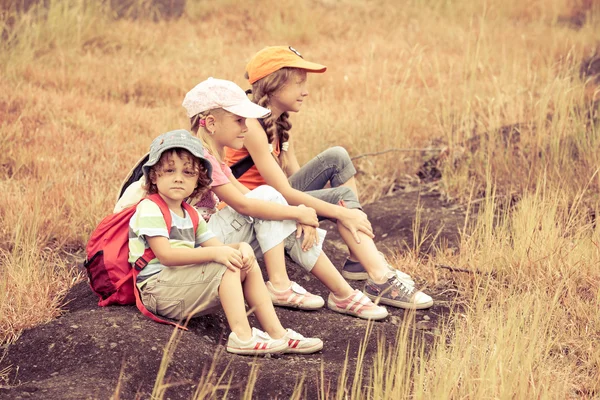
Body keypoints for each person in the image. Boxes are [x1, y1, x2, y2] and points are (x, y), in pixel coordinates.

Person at [225, 46, 433, 310]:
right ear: (274, 86)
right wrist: (337, 213)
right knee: (341, 200)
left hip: (276, 198)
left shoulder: (277, 120)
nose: (306, 91)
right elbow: (286, 194)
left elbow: (293, 178)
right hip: (254, 212)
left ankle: (360, 258)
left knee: (337, 157)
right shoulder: (252, 125)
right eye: (299, 83)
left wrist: (309, 210)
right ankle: (380, 278)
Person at [182, 78, 388, 320]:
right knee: (270, 196)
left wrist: (292, 213)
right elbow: (243, 204)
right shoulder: (200, 155)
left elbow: (245, 194)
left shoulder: (215, 155)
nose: (245, 128)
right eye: (239, 121)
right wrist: (296, 213)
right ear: (211, 123)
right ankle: (283, 285)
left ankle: (342, 293)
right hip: (196, 246)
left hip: (212, 238)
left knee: (273, 201)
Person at [128, 129, 323, 355]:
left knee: (243, 261)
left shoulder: (190, 213)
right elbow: (167, 256)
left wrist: (242, 247)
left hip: (181, 285)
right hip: (158, 290)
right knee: (226, 263)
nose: (179, 177)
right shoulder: (150, 207)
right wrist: (218, 255)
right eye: (169, 171)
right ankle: (242, 336)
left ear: (198, 179)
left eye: (188, 172)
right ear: (154, 176)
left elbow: (216, 247)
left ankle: (278, 333)